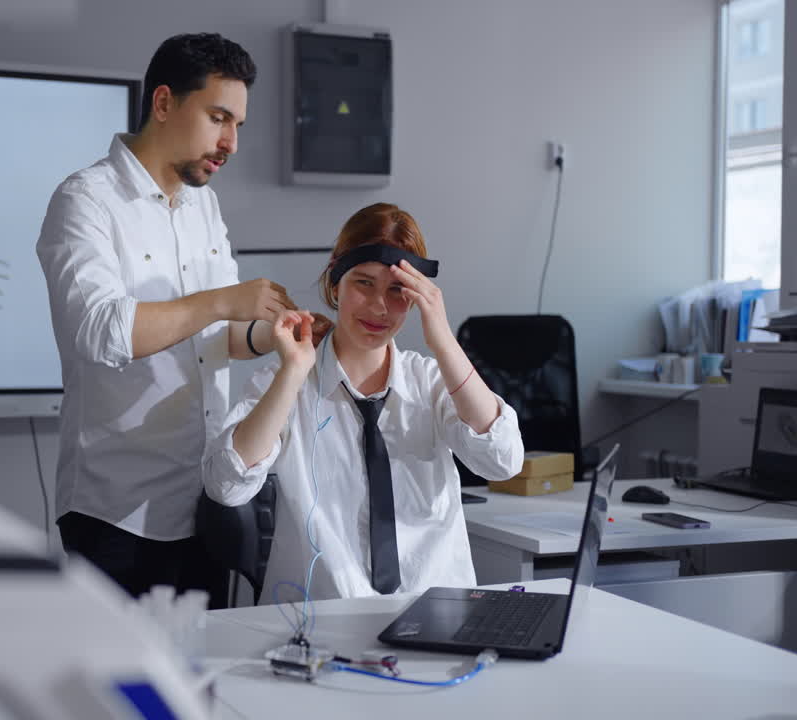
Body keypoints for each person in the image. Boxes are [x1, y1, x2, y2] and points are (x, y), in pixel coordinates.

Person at [37, 33, 319, 599]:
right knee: (125, 685)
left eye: (238, 123)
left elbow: (219, 339)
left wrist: (275, 334)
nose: (232, 142)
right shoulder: (85, 200)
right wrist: (221, 301)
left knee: (201, 679)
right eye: (219, 118)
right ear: (164, 103)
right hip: (115, 514)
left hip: (206, 502)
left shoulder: (202, 206)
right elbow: (98, 332)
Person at [203, 203, 524, 604]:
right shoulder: (286, 382)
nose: (379, 308)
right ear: (335, 282)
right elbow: (225, 486)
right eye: (364, 284)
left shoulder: (431, 382)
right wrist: (293, 371)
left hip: (433, 614)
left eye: (396, 291)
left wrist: (440, 336)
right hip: (317, 621)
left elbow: (503, 460)